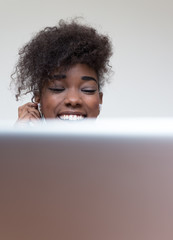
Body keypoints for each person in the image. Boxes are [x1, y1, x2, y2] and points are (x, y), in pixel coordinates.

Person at [11, 19, 113, 122]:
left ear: (100, 99)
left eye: (88, 90)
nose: (73, 100)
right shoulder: (13, 138)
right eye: (57, 88)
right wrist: (19, 136)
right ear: (38, 99)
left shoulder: (122, 138)